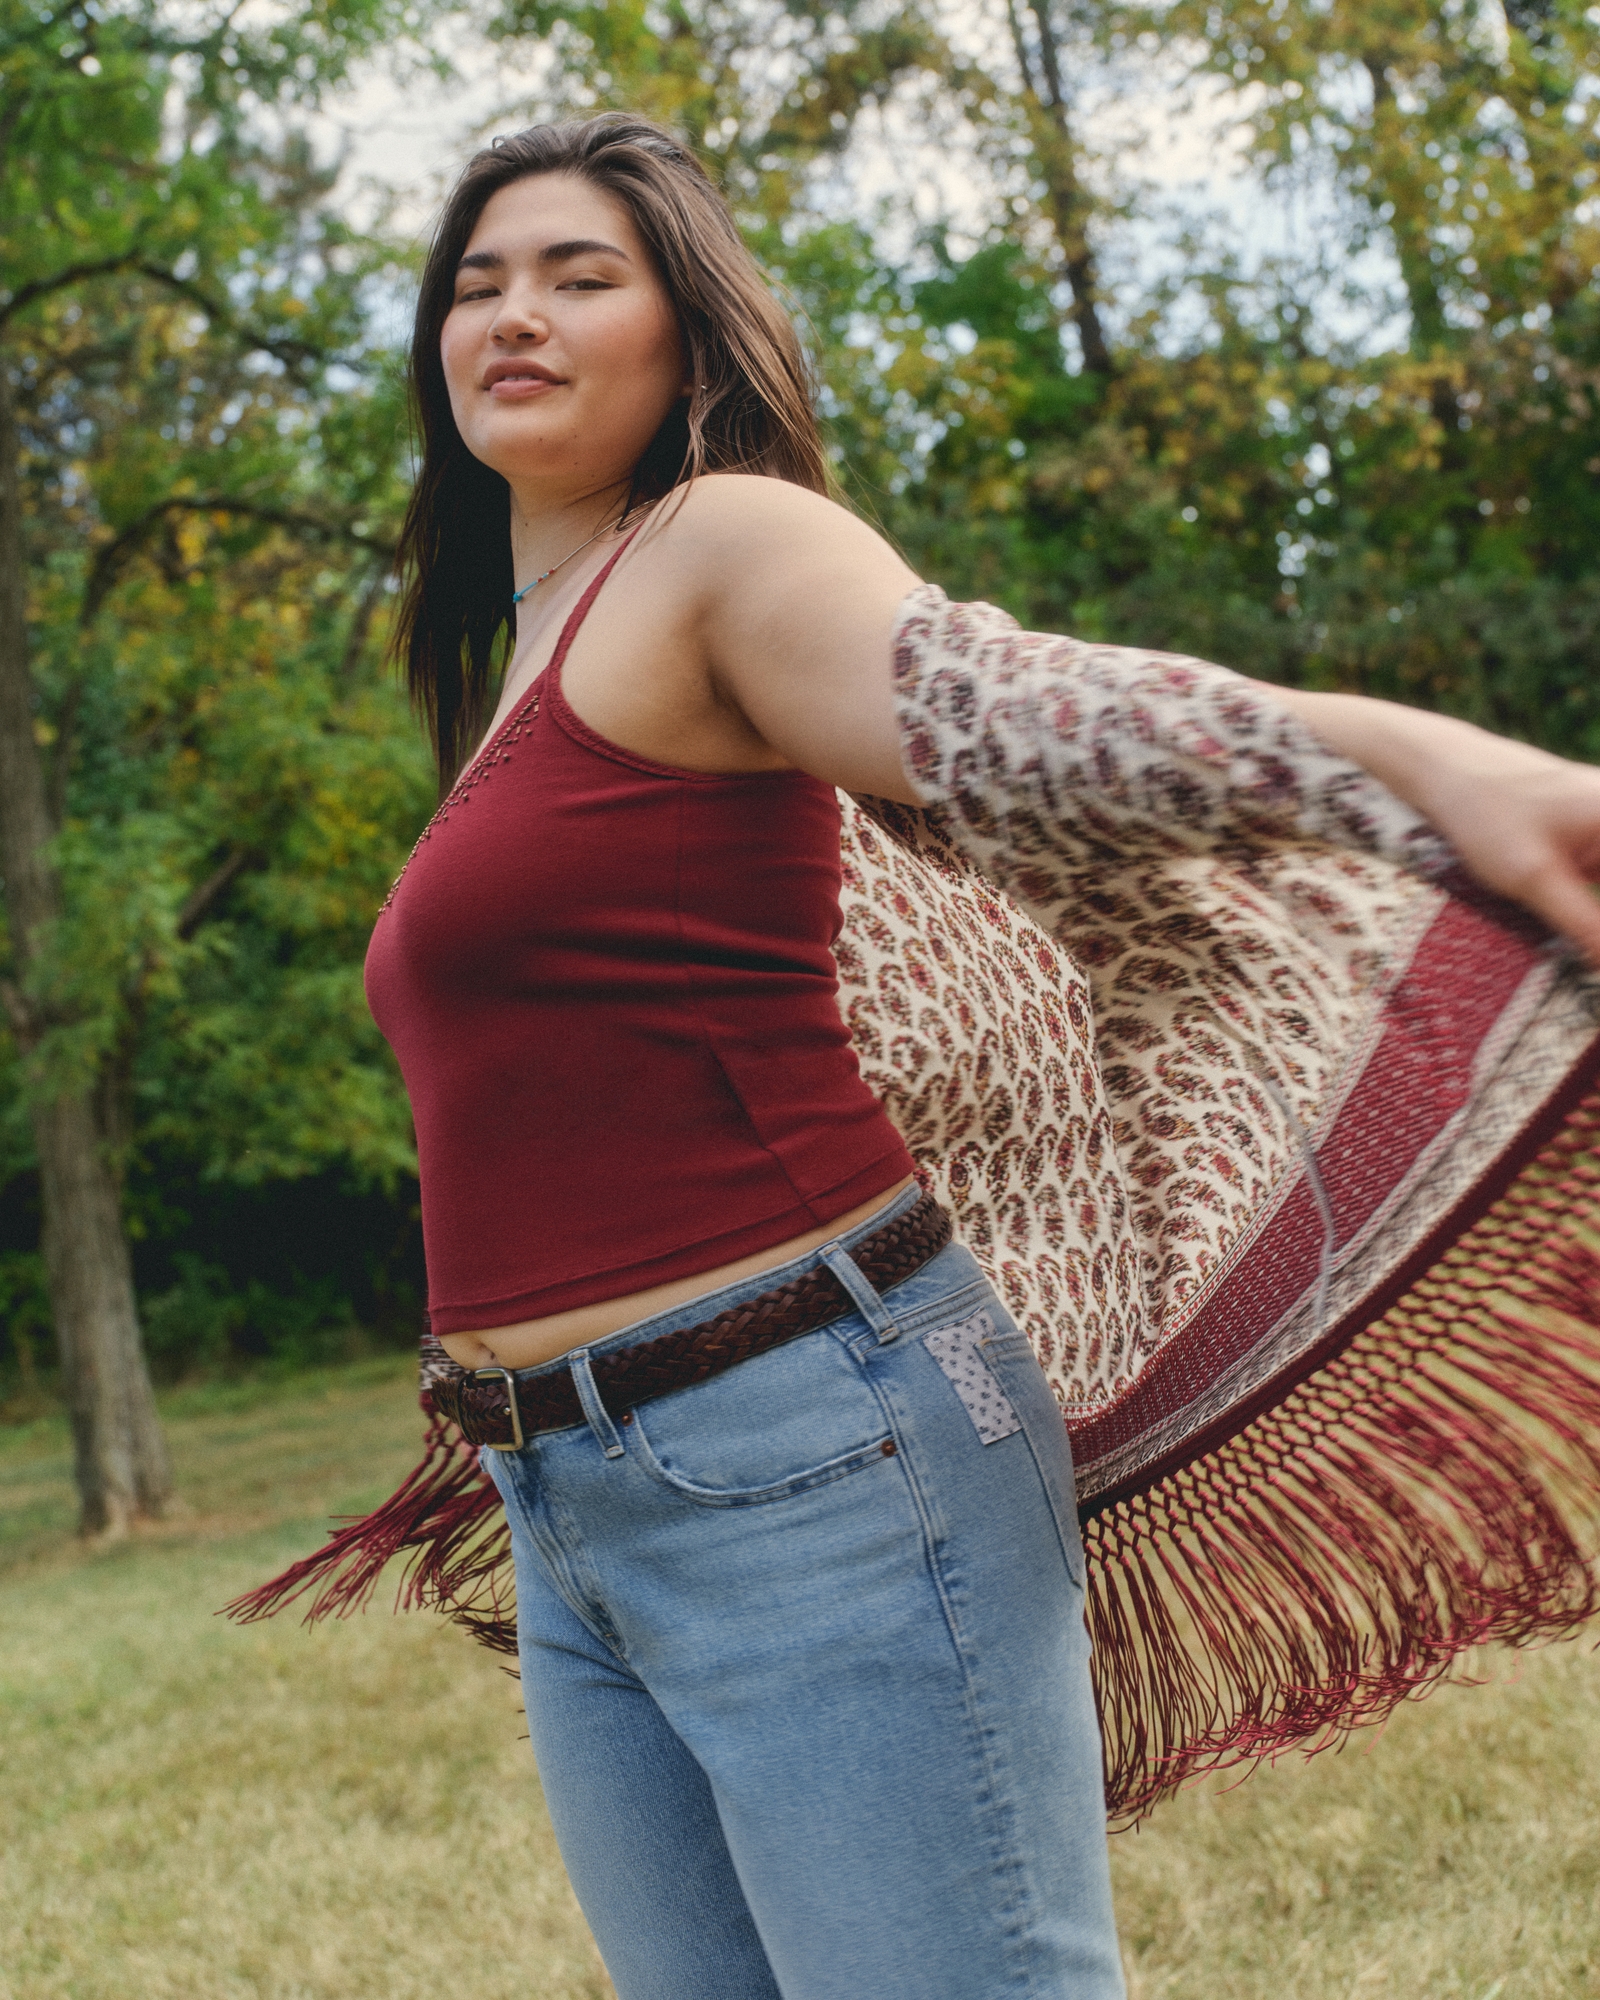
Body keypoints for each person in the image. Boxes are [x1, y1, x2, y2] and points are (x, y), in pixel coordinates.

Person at [243, 113, 1600, 2000]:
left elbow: (1007, 707)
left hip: (812, 1442)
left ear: (686, 337)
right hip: (572, 1495)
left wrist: (1418, 765)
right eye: (475, 286)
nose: (515, 315)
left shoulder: (721, 546)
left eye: (579, 274)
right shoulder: (525, 666)